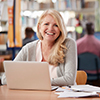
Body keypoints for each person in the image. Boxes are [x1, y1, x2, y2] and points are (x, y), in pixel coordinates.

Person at [1, 9, 77, 86]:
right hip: (36, 95)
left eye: (56, 25)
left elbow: (69, 80)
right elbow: (5, 78)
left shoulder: (68, 44)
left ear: (60, 29)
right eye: (46, 24)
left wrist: (35, 82)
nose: (50, 28)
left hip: (62, 96)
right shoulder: (28, 48)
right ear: (39, 27)